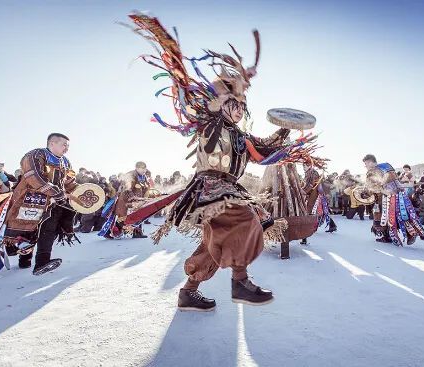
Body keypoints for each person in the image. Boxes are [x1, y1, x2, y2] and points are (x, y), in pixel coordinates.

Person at [125, 13, 320, 311]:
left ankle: (189, 291)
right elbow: (207, 96)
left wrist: (286, 127)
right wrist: (235, 82)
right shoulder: (209, 122)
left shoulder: (240, 135)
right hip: (211, 188)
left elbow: (266, 149)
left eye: (242, 107)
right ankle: (240, 281)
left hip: (230, 188)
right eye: (233, 104)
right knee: (244, 220)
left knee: (212, 245)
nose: (239, 110)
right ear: (220, 104)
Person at [0, 133, 79, 275]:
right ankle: (20, 256)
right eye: (64, 145)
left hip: (53, 203)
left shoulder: (65, 161)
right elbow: (34, 176)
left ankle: (42, 262)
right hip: (28, 200)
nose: (66, 148)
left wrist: (81, 192)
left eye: (68, 146)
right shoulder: (36, 155)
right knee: (25, 231)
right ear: (52, 143)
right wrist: (55, 192)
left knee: (48, 231)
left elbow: (69, 182)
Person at [363, 154, 424, 246]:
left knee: (385, 217)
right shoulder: (386, 166)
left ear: (370, 162)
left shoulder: (372, 172)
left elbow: (374, 186)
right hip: (399, 194)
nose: (365, 166)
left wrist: (367, 191)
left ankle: (388, 236)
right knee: (400, 215)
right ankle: (410, 233)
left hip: (385, 197)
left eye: (366, 164)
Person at [303, 164, 337, 233]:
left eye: (305, 166)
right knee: (321, 211)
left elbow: (311, 185)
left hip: (316, 195)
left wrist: (303, 191)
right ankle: (332, 225)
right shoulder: (309, 173)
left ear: (309, 166)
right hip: (313, 194)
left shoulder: (312, 173)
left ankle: (312, 228)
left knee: (316, 211)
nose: (303, 168)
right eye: (303, 166)